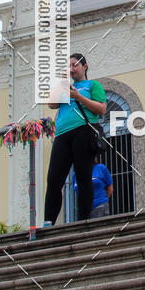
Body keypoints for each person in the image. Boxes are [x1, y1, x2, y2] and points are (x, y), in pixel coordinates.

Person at [44, 53, 107, 226]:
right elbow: (51, 104)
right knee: (54, 180)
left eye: (75, 65)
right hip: (62, 134)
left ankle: (83, 220)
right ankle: (48, 221)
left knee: (83, 176)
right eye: (69, 66)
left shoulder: (92, 85)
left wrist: (78, 97)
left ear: (85, 66)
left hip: (84, 131)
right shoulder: (65, 87)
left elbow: (101, 109)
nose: (71, 68)